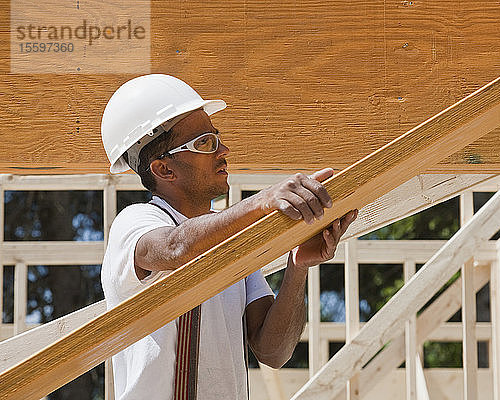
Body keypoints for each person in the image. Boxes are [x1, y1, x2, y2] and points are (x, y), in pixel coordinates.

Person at [100, 74, 357, 400]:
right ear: (164, 170)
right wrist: (263, 201)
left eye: (217, 138)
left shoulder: (228, 238)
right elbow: (176, 247)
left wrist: (298, 267)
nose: (224, 150)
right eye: (205, 143)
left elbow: (273, 352)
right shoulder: (136, 223)